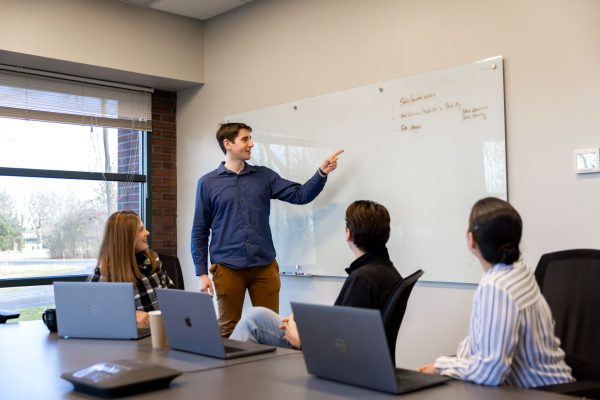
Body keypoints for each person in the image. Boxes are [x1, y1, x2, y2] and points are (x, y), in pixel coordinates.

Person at [191, 122, 343, 337]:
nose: (251, 144)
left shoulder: (264, 176)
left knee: (271, 329)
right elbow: (199, 230)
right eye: (245, 139)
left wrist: (321, 173)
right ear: (228, 143)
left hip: (264, 267)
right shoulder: (207, 183)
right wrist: (201, 273)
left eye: (250, 138)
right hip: (227, 268)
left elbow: (300, 195)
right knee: (228, 330)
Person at [417, 197, 574, 388]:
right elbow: (480, 344)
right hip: (553, 386)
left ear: (471, 239)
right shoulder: (518, 270)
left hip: (542, 394)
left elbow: (490, 372)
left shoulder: (496, 287)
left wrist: (441, 366)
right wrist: (451, 363)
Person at [230, 200, 403, 349]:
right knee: (257, 314)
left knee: (252, 321)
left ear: (348, 233)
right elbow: (344, 326)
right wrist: (308, 321)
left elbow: (343, 345)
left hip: (329, 354)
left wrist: (301, 340)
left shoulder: (363, 279)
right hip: (335, 344)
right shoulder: (388, 272)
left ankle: (228, 382)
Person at [90, 211, 175, 327]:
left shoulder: (153, 259)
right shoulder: (105, 272)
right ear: (126, 238)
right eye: (140, 230)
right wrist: (131, 314)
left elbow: (172, 295)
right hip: (133, 338)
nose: (147, 232)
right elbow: (93, 311)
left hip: (163, 329)